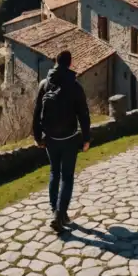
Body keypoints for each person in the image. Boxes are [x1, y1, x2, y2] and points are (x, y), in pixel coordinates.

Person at [33, 49, 91, 232]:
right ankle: (60, 214)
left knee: (54, 173)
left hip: (50, 138)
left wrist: (37, 136)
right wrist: (86, 138)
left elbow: (36, 112)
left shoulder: (44, 84)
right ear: (70, 63)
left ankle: (55, 211)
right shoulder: (75, 86)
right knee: (67, 177)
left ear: (55, 63)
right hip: (69, 138)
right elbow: (84, 115)